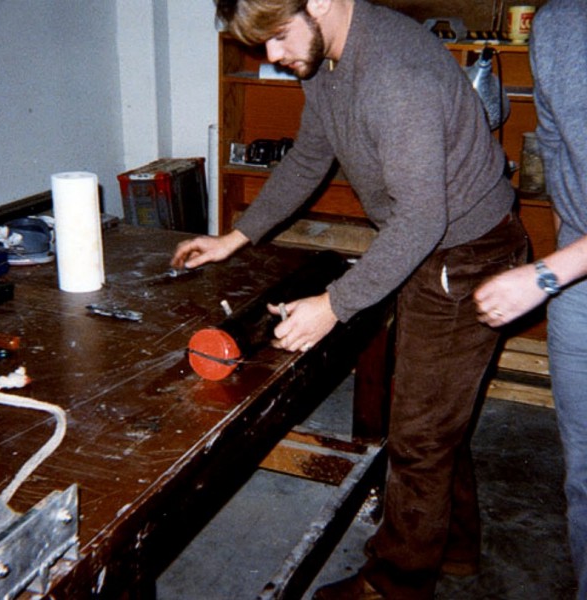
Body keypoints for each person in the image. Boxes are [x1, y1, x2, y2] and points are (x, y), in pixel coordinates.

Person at [172, 1, 528, 597]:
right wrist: (234, 237)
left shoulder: (394, 74)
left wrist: (334, 305)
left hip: (466, 255)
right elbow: (311, 156)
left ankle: (394, 586)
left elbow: (420, 219)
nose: (274, 59)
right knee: (434, 413)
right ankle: (457, 549)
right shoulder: (332, 61)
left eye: (278, 38)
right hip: (432, 246)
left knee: (417, 437)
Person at [474, 1, 587, 596]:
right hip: (580, 283)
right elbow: (561, 155)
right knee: (585, 482)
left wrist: (543, 277)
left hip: (564, 273)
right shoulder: (555, 25)